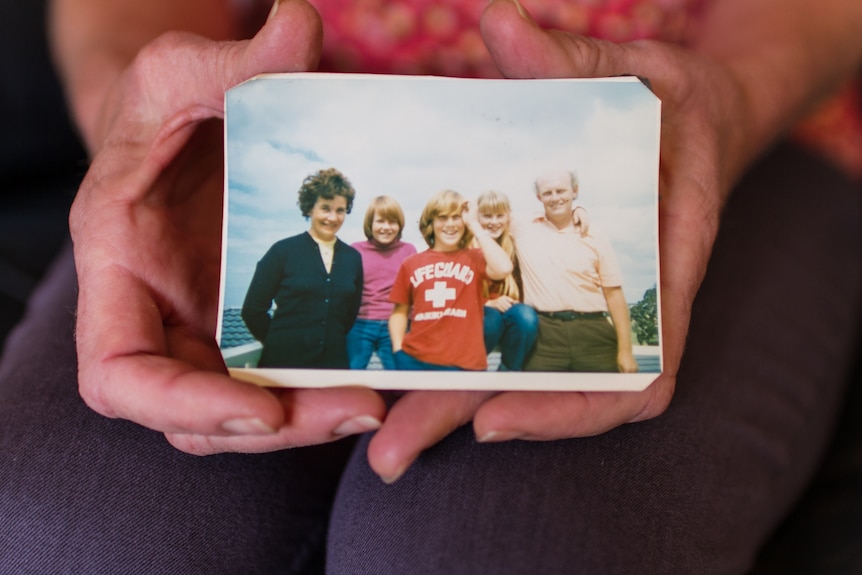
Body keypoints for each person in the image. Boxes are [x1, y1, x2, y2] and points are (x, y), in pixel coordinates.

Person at [1, 0, 861, 573]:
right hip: (269, 111)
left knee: (485, 551)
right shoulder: (393, 249)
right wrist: (132, 104)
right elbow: (395, 295)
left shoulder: (476, 244)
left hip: (691, 107)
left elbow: (502, 286)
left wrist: (741, 92)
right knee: (65, 528)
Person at [511, 169, 638, 373]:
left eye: (561, 191)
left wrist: (626, 352)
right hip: (544, 334)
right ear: (539, 197)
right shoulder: (522, 228)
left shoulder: (596, 235)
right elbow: (484, 213)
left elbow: (614, 294)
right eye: (547, 193)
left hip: (593, 332)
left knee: (605, 401)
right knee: (539, 400)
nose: (555, 198)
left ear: (575, 191)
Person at [241, 167, 363, 368]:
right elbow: (252, 310)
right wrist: (279, 344)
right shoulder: (282, 252)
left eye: (340, 210)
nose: (333, 218)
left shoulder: (353, 258)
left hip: (333, 368)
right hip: (282, 367)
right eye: (325, 208)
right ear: (309, 208)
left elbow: (349, 315)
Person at [389, 190, 514, 371]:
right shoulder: (411, 263)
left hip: (464, 363)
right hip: (416, 360)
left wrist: (474, 224)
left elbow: (504, 268)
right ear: (430, 222)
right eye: (442, 217)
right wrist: (398, 349)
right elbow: (400, 311)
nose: (450, 224)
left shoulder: (475, 257)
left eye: (456, 217)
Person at [346, 195, 416, 370]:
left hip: (395, 324)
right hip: (360, 323)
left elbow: (414, 291)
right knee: (351, 371)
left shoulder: (408, 250)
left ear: (400, 225)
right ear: (370, 224)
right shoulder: (355, 250)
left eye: (392, 222)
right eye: (380, 221)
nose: (386, 227)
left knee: (399, 375)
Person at [475, 190, 539, 371]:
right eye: (487, 216)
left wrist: (577, 210)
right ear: (477, 218)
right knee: (491, 320)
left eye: (499, 216)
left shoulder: (514, 243)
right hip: (480, 308)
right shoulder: (468, 245)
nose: (494, 222)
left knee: (526, 316)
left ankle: (508, 371)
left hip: (509, 306)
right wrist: (489, 302)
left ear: (508, 217)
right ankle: (471, 370)